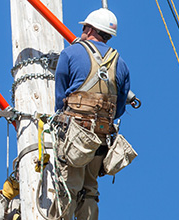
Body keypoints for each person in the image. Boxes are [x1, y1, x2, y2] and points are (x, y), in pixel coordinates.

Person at [52, 6, 131, 220]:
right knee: (90, 190)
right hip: (101, 136)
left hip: (75, 133)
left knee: (68, 185)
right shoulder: (120, 63)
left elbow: (60, 96)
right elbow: (120, 106)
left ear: (89, 28)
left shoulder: (71, 52)